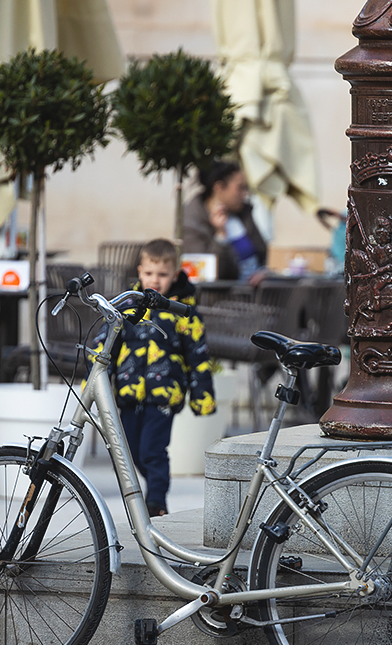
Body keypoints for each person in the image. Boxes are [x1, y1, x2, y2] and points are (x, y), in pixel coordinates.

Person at [93, 238, 216, 517]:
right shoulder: (127, 307)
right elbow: (105, 346)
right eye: (149, 273)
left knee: (152, 450)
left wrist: (202, 397)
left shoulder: (183, 312)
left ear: (175, 275)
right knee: (130, 451)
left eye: (162, 274)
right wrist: (98, 381)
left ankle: (157, 503)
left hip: (164, 395)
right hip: (129, 393)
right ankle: (153, 490)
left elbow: (198, 357)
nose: (155, 280)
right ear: (140, 271)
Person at [180, 161, 268, 282]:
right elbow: (205, 274)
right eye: (240, 188)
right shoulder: (191, 222)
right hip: (224, 293)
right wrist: (220, 236)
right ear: (219, 187)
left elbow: (261, 253)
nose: (245, 194)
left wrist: (262, 272)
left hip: (254, 291)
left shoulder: (243, 214)